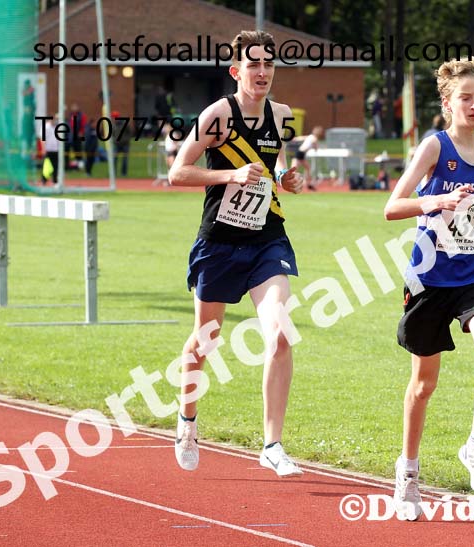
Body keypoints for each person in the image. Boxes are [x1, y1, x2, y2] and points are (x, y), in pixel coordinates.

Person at [383, 57, 474, 521]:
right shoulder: (434, 147)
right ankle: (408, 473)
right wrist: (438, 199)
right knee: (424, 385)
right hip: (430, 278)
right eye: (467, 98)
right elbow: (392, 206)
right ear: (448, 103)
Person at [167, 30, 305, 477]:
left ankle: (272, 444)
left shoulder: (281, 115)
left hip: (267, 239)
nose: (263, 72)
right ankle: (187, 421)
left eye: (269, 64)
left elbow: (274, 161)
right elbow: (178, 172)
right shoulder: (218, 116)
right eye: (254, 65)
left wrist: (285, 177)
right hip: (220, 244)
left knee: (280, 333)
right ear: (236, 71)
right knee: (205, 341)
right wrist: (229, 176)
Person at [291, 126, 323, 191]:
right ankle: (293, 184)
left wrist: (295, 139)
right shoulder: (314, 138)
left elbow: (302, 138)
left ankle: (307, 183)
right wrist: (315, 147)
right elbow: (316, 147)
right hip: (299, 154)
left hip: (301, 154)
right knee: (294, 170)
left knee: (307, 168)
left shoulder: (310, 136)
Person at [42, 115, 60, 185]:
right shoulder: (46, 127)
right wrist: (44, 149)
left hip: (55, 150)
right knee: (46, 166)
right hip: (48, 149)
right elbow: (42, 139)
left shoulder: (56, 127)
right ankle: (44, 180)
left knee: (55, 166)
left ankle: (55, 181)